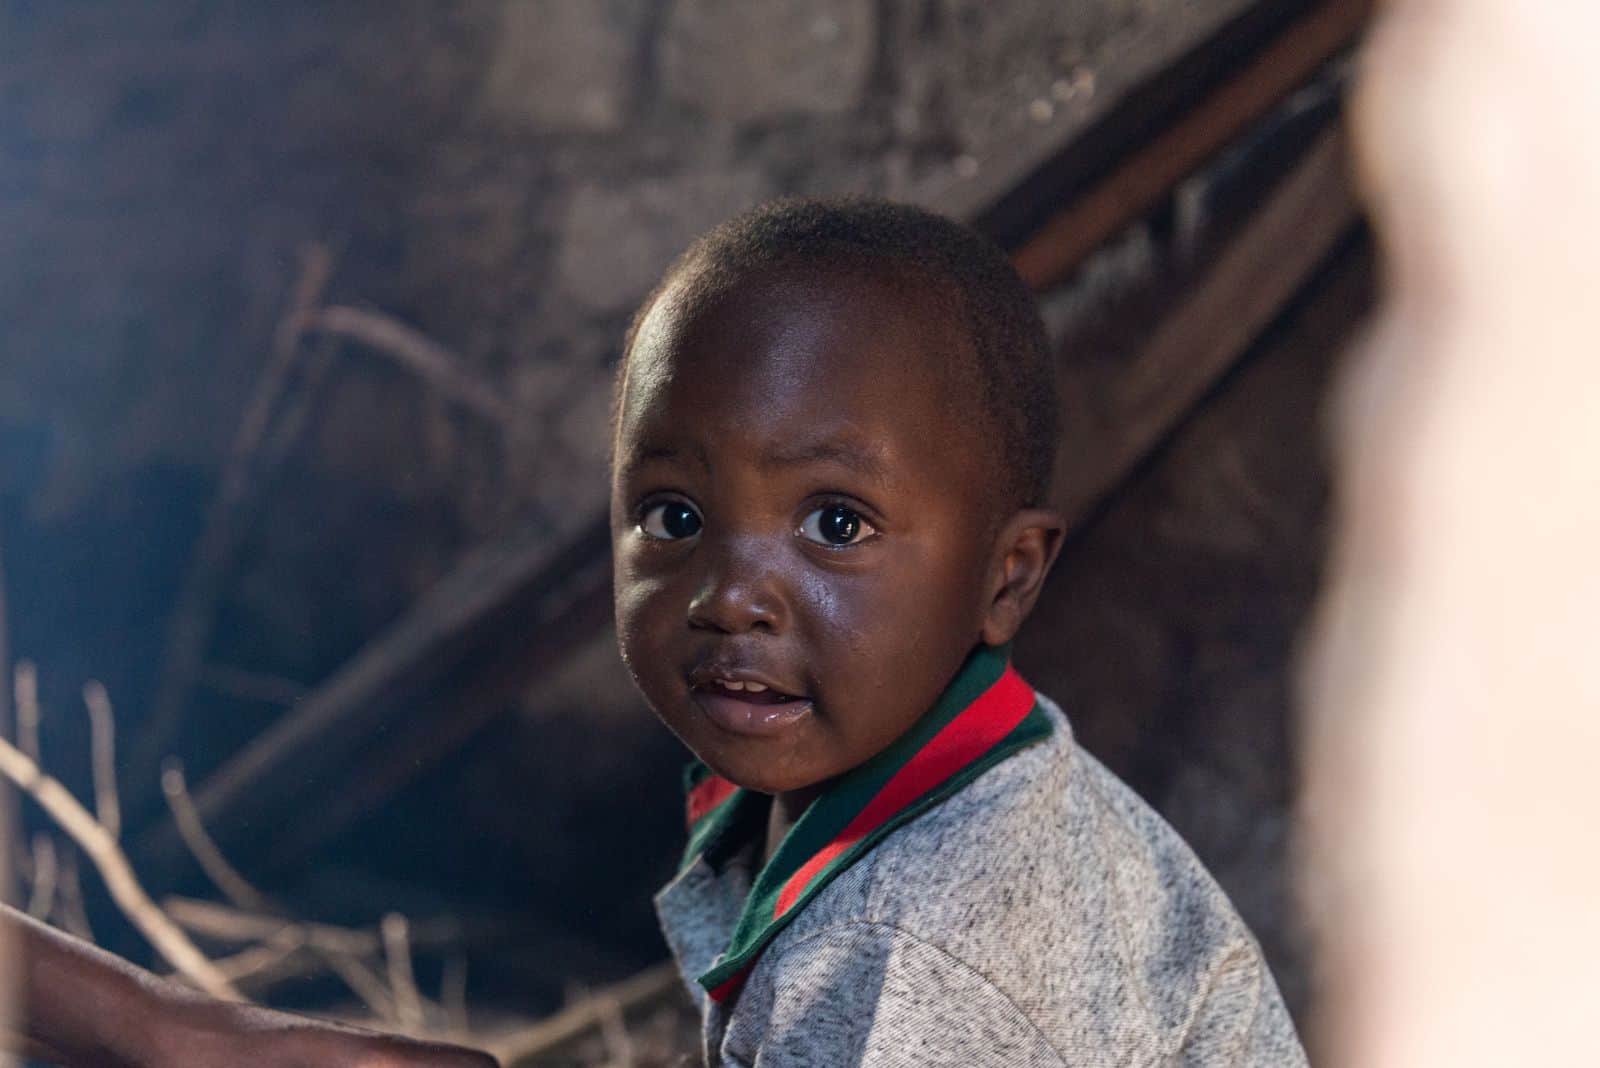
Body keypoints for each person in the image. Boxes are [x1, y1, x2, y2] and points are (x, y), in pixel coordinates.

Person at [610, 197, 1306, 1066]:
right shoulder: (913, 789)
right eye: (674, 515)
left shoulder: (930, 953)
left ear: (1005, 576)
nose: (729, 596)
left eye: (837, 525)